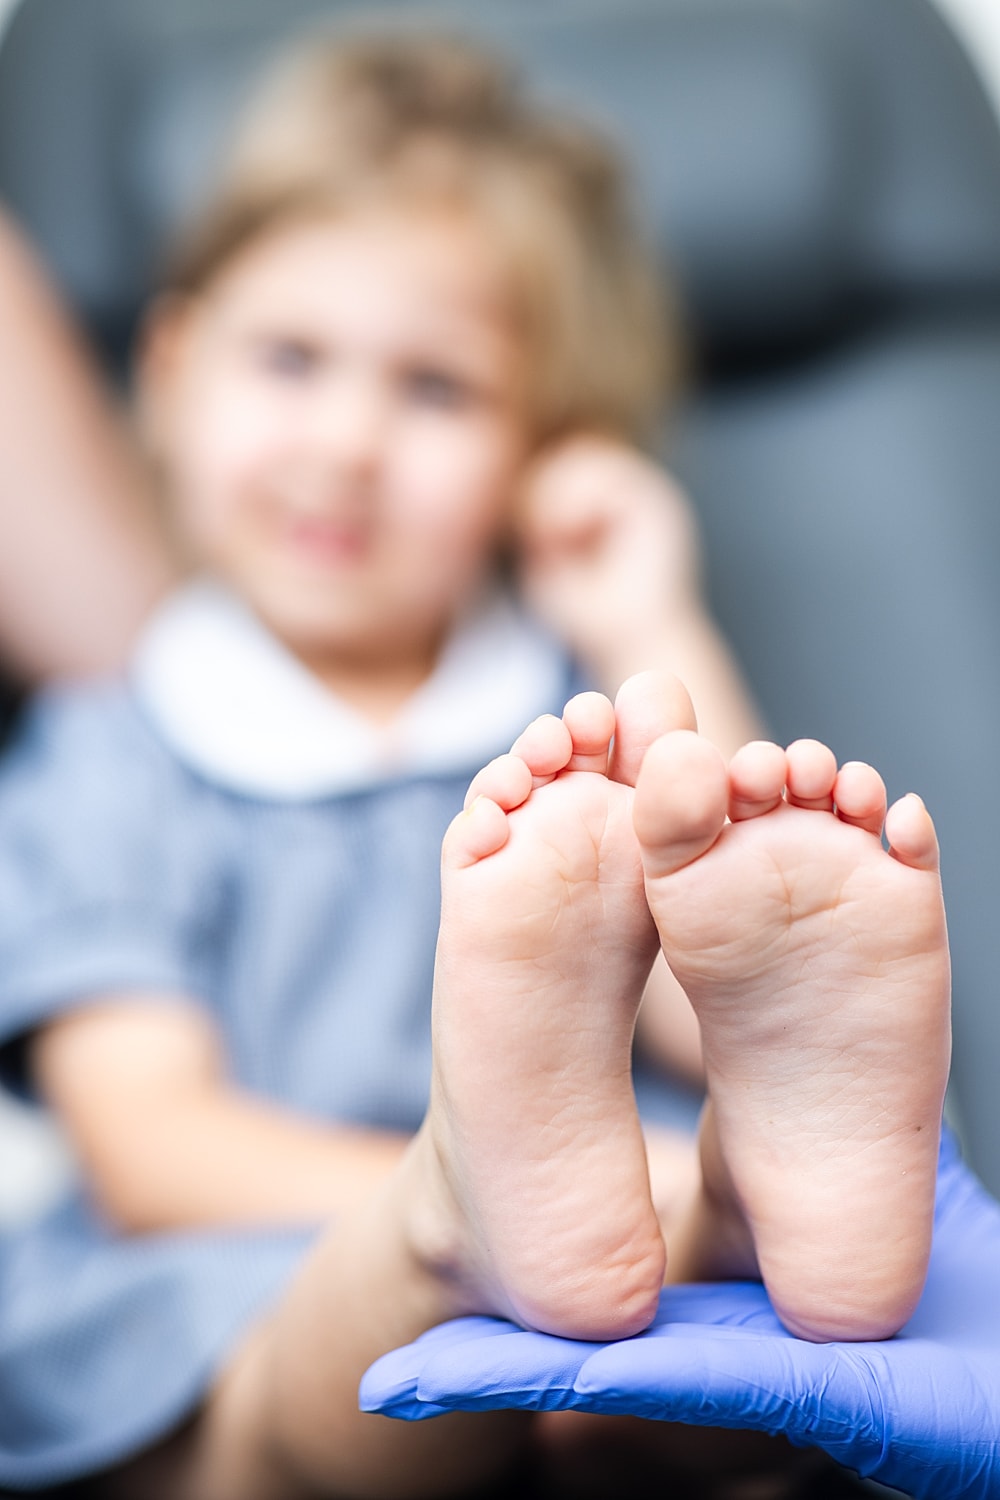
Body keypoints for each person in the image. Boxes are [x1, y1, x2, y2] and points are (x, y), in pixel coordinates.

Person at [0, 30, 786, 1497]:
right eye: (291, 360)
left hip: (602, 1264)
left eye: (436, 392)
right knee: (278, 1410)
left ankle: (735, 1262)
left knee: (661, 1366)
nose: (348, 442)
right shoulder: (118, 756)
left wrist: (646, 619)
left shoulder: (570, 719)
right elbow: (152, 1149)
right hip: (240, 1280)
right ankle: (593, 1267)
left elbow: (715, 1005)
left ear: (535, 459)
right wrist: (467, 1205)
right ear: (169, 376)